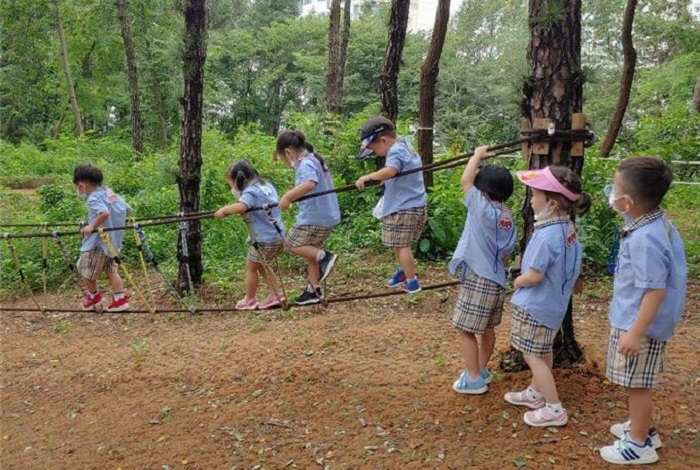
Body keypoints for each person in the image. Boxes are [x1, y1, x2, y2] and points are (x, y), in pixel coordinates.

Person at [599, 157, 687, 465]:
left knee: (637, 385)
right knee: (636, 382)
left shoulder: (645, 240)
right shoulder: (652, 222)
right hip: (636, 318)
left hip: (640, 325)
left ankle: (638, 444)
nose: (610, 192)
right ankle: (643, 428)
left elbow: (655, 289)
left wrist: (636, 332)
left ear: (627, 202)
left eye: (615, 188)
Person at [504, 165, 590, 427]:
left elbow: (534, 276)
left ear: (551, 203)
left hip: (536, 305)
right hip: (554, 305)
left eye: (534, 195)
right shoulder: (568, 231)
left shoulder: (546, 235)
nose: (531, 200)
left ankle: (554, 408)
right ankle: (535, 392)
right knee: (542, 352)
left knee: (532, 355)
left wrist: (516, 280)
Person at [449, 146, 516, 394]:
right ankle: (482, 368)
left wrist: (476, 155)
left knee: (465, 329)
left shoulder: (481, 208)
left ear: (483, 190)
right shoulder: (506, 215)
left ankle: (474, 377)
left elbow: (465, 181)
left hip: (479, 278)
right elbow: (507, 253)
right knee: (487, 328)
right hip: (498, 280)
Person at [354, 116, 427, 293]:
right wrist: (385, 180)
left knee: (402, 245)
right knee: (399, 243)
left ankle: (412, 281)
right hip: (415, 203)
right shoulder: (406, 145)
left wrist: (370, 176)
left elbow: (391, 170)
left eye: (374, 148)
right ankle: (403, 272)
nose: (375, 153)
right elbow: (401, 172)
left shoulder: (394, 151)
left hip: (403, 207)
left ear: (384, 140)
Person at [275, 130, 341, 305]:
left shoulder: (305, 163)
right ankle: (314, 289)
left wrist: (288, 197)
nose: (285, 163)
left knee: (291, 244)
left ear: (288, 152)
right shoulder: (316, 159)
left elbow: (310, 183)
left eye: (283, 159)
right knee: (310, 252)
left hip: (314, 217)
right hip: (327, 216)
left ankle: (325, 257)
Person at [215, 160, 286, 310]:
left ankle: (250, 299)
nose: (232, 189)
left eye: (231, 184)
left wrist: (224, 210)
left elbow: (242, 206)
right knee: (262, 266)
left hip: (264, 239)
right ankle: (276, 295)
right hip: (277, 235)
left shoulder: (251, 192)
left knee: (252, 267)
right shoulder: (266, 186)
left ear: (239, 181)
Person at [74, 164, 131, 312]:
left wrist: (91, 227)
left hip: (97, 243)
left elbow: (104, 213)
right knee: (112, 271)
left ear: (81, 185)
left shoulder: (92, 198)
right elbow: (128, 209)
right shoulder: (109, 192)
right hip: (113, 244)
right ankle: (120, 299)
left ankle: (94, 297)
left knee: (85, 269)